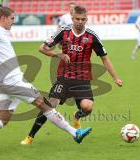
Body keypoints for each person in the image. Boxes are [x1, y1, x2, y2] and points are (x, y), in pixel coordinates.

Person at [0, 7, 92, 153]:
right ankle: (75, 133)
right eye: (12, 18)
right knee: (45, 105)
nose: (13, 21)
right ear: (4, 18)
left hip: (3, 84)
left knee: (2, 119)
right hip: (13, 81)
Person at [20, 5, 123, 145]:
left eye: (82, 19)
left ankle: (77, 116)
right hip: (64, 76)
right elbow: (42, 48)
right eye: (77, 19)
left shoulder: (92, 36)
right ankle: (30, 137)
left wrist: (115, 77)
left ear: (87, 19)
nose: (79, 22)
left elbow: (104, 58)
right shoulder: (63, 31)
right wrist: (58, 54)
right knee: (50, 105)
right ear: (72, 18)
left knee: (87, 107)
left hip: (82, 78)